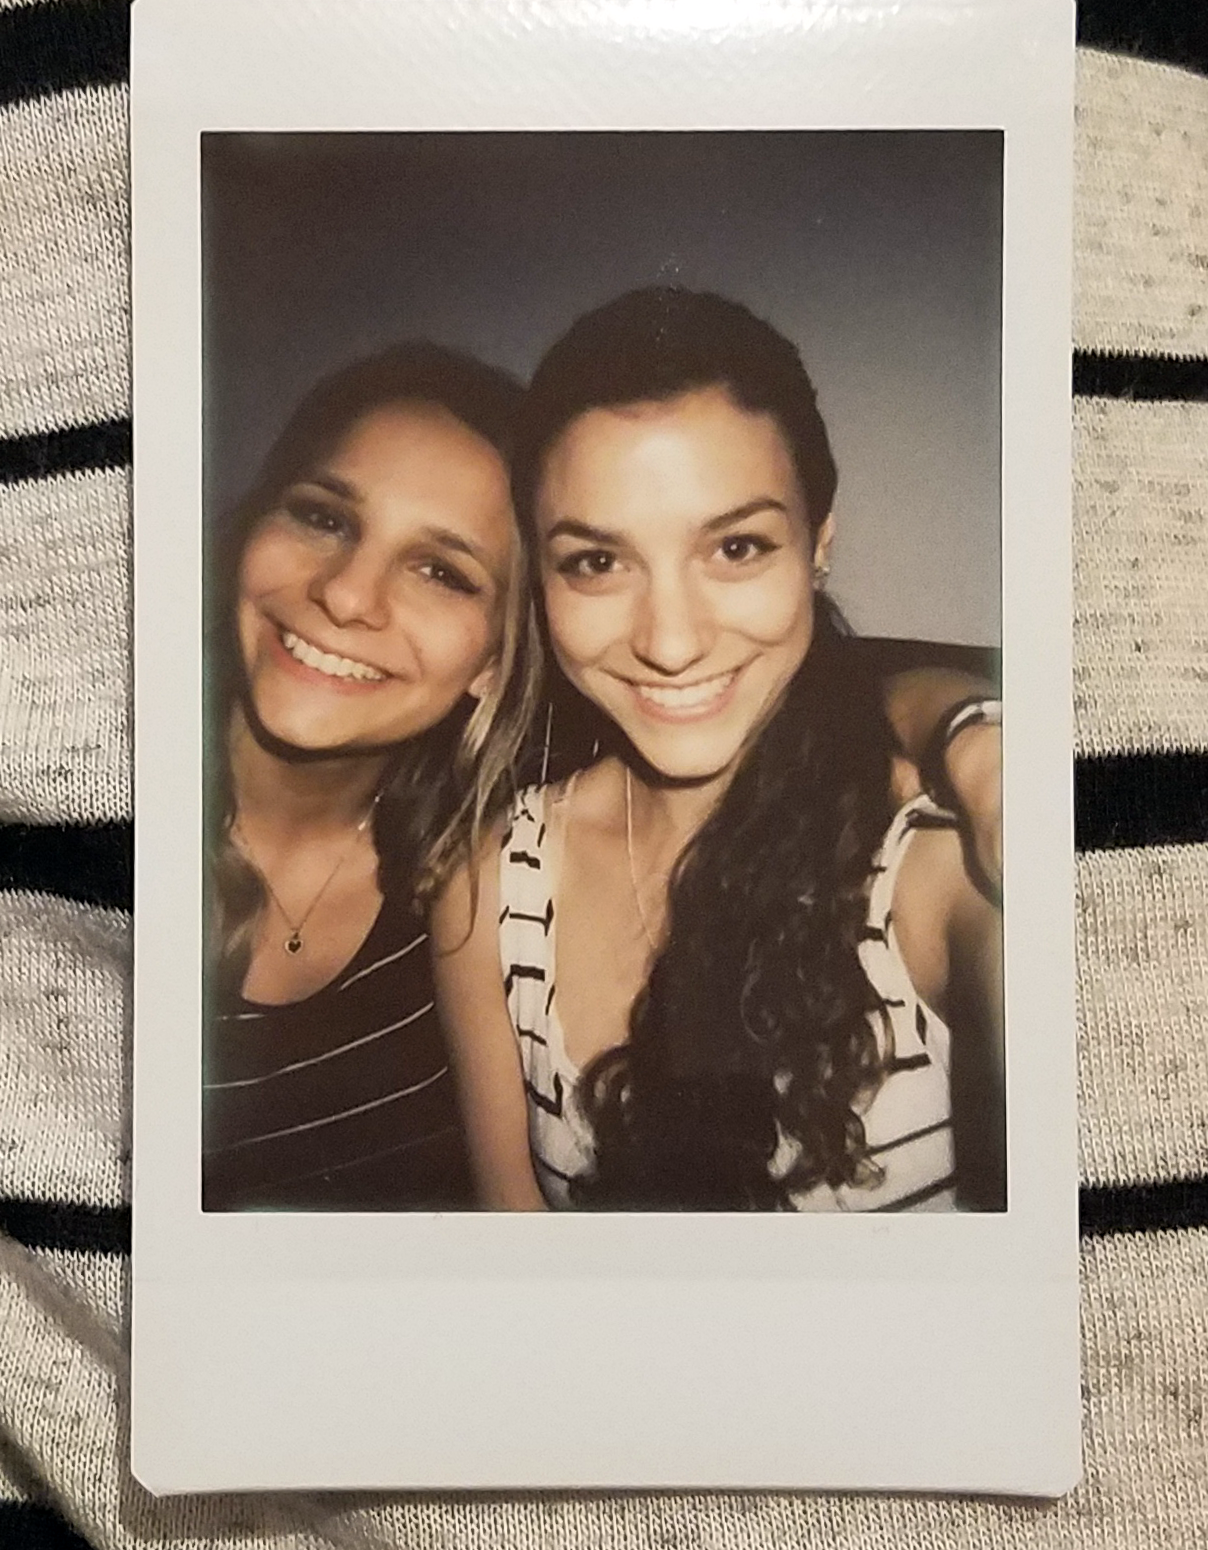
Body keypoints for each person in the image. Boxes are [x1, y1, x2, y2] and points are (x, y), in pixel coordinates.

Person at [433, 288, 1004, 1213]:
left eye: (736, 547)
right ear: (540, 579)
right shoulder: (494, 880)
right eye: (597, 562)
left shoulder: (938, 861)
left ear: (817, 545)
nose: (671, 641)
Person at [202, 344, 540, 1210]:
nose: (347, 596)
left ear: (494, 662)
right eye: (324, 517)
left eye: (441, 572)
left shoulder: (496, 882)